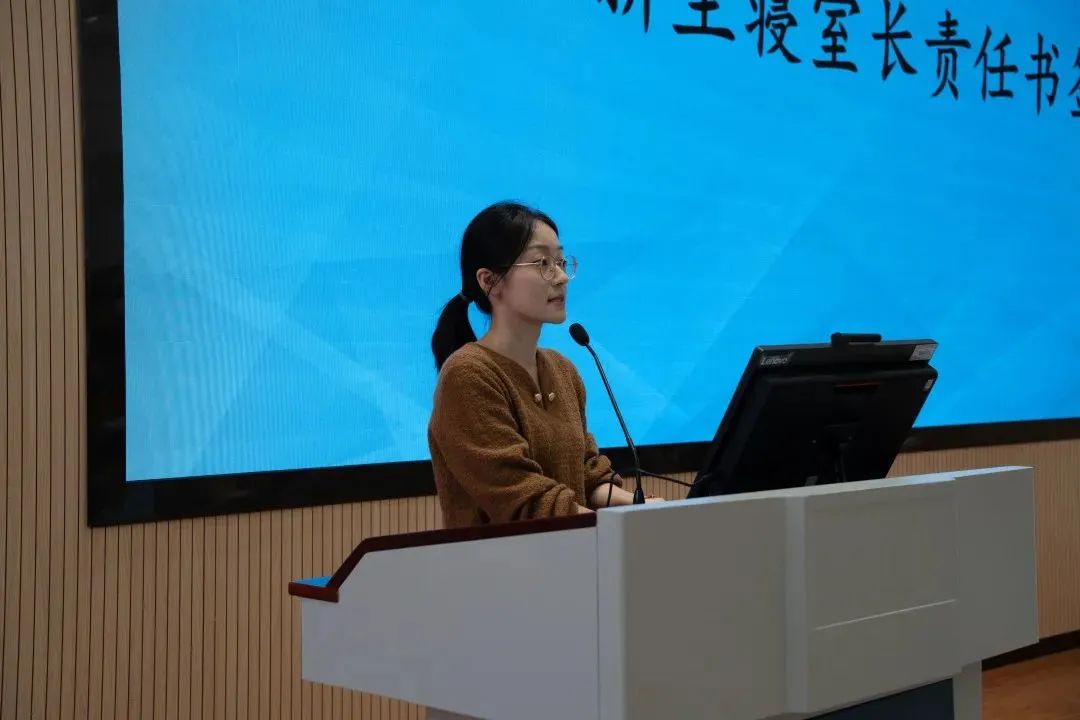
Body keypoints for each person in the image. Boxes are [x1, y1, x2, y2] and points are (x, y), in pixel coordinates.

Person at [428, 201, 659, 528]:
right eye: (543, 263)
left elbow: (588, 476)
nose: (562, 277)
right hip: (502, 560)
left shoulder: (562, 370)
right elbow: (524, 500)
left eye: (561, 262)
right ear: (489, 280)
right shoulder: (468, 375)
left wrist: (644, 509)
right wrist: (617, 528)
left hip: (573, 552)